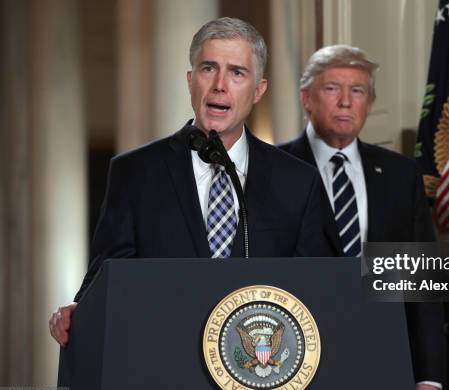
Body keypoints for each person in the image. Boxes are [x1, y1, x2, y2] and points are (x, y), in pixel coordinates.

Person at [49, 17, 331, 347]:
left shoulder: (297, 180)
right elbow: (106, 277)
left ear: (258, 91)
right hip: (163, 363)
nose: (220, 85)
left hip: (259, 368)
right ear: (190, 80)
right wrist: (78, 310)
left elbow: (319, 288)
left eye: (237, 72)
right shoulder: (135, 173)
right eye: (208, 69)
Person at [280, 45, 445, 390]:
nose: (345, 102)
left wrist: (428, 378)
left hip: (384, 356)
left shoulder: (401, 175)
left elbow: (422, 284)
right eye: (332, 89)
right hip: (296, 358)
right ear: (306, 98)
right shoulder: (272, 169)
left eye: (357, 91)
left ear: (369, 103)